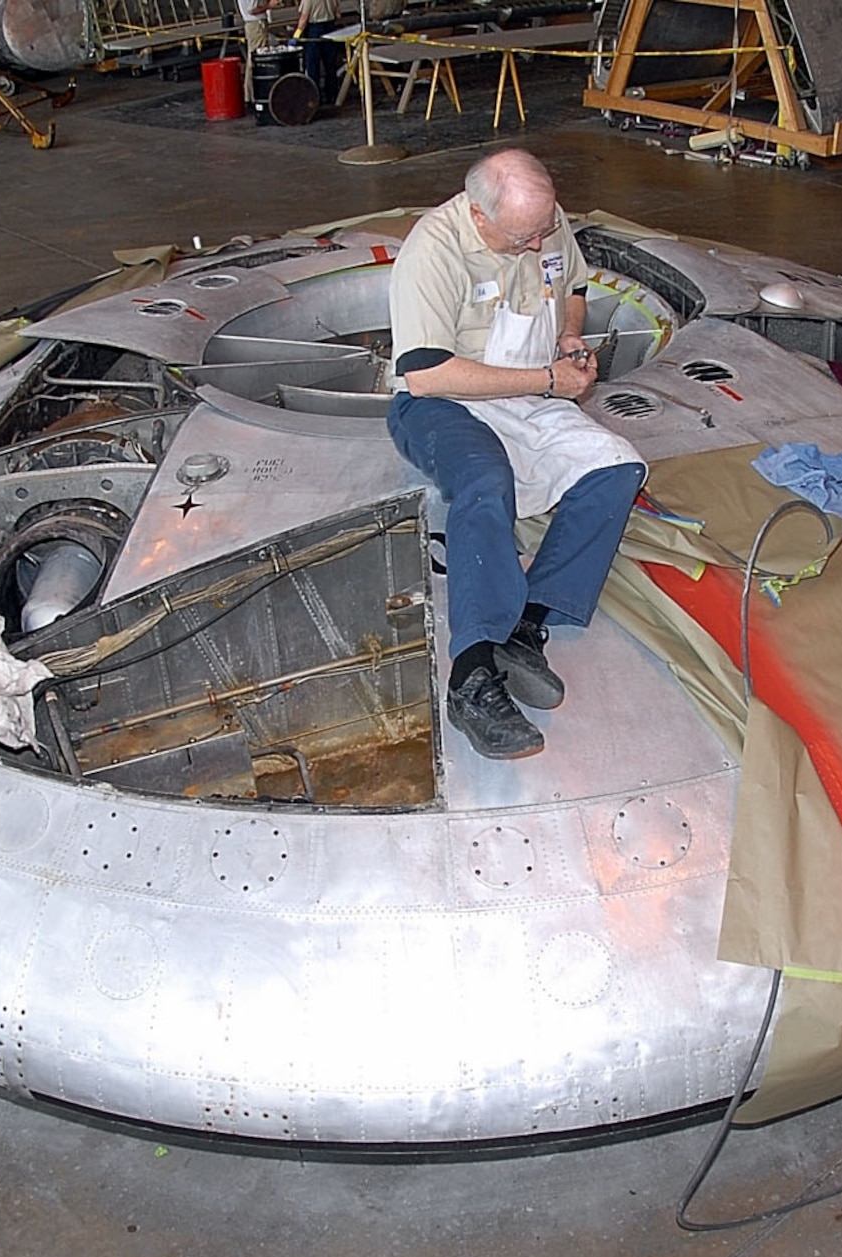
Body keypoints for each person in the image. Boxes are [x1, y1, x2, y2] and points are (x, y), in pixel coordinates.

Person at [387, 150, 647, 760]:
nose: (536, 246)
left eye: (542, 232)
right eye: (520, 239)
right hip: (444, 401)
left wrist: (568, 334)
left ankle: (526, 625)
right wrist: (550, 383)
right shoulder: (433, 250)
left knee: (617, 467)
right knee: (484, 478)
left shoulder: (543, 222)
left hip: (531, 390)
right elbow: (425, 373)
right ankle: (472, 674)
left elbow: (574, 284)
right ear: (478, 216)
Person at [296, 0, 342, 108]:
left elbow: (304, 19)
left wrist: (296, 35)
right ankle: (332, 95)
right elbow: (338, 15)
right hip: (330, 28)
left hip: (314, 29)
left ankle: (315, 98)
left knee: (313, 66)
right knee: (330, 65)